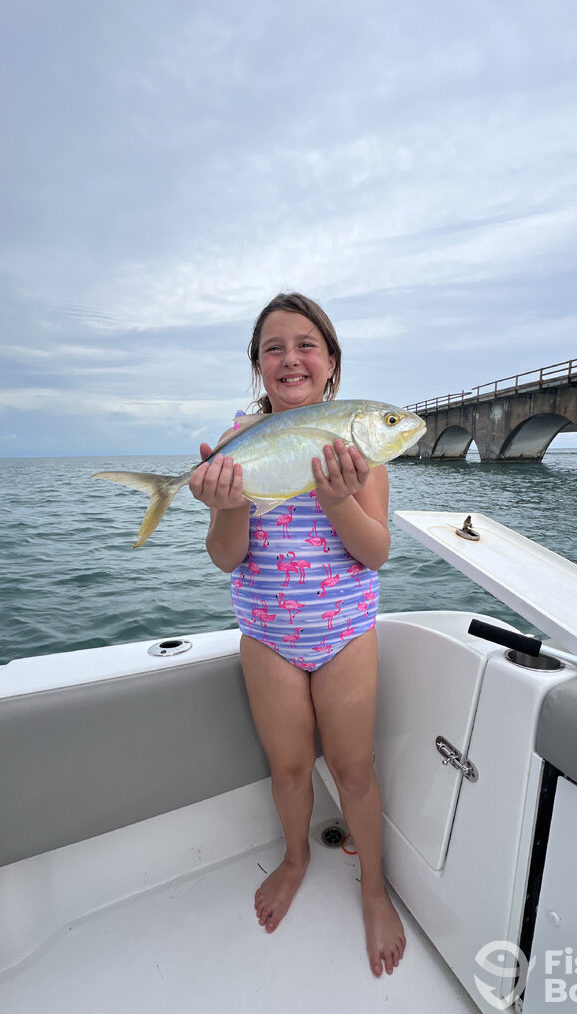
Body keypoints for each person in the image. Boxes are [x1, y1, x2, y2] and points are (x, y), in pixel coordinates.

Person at [188, 292, 406, 977]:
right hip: (267, 635)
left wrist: (338, 497)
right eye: (274, 347)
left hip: (343, 631)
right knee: (287, 769)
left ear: (332, 363)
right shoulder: (235, 442)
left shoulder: (359, 444)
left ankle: (372, 889)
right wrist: (227, 508)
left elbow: (375, 553)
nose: (291, 358)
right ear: (258, 367)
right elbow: (226, 556)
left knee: (354, 770)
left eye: (306, 344)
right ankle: (295, 856)